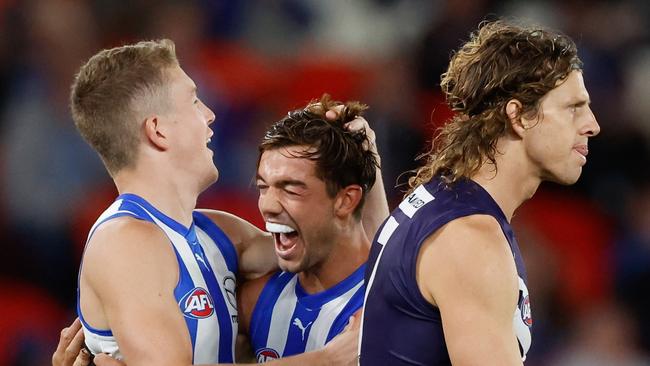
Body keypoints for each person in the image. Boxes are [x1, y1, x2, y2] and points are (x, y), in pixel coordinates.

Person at [65, 39, 379, 366]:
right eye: (194, 101)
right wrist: (326, 360)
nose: (210, 115)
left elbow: (347, 246)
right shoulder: (123, 243)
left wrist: (363, 154)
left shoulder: (216, 232)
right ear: (158, 131)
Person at [359, 20, 600, 365]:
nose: (592, 123)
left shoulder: (440, 202)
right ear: (518, 116)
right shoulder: (469, 238)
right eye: (573, 107)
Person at [237, 96, 388, 362]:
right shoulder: (255, 301)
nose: (268, 206)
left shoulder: (395, 310)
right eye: (263, 187)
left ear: (345, 200)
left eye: (291, 189)